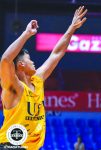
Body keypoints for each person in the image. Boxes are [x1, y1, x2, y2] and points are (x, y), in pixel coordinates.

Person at [0, 6, 87, 150]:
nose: (34, 62)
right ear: (21, 65)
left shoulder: (38, 79)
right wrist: (26, 34)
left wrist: (72, 28)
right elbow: (5, 60)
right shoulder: (14, 86)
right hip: (9, 146)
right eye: (30, 59)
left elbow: (57, 53)